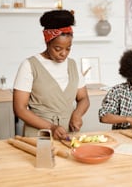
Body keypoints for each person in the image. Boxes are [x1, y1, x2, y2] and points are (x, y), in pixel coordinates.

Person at [13, 10, 90, 140]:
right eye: (58, 48)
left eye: (68, 48)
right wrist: (51, 127)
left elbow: (83, 98)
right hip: (39, 136)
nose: (63, 54)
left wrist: (77, 114)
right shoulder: (29, 65)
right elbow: (20, 109)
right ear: (47, 42)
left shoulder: (73, 65)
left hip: (68, 135)